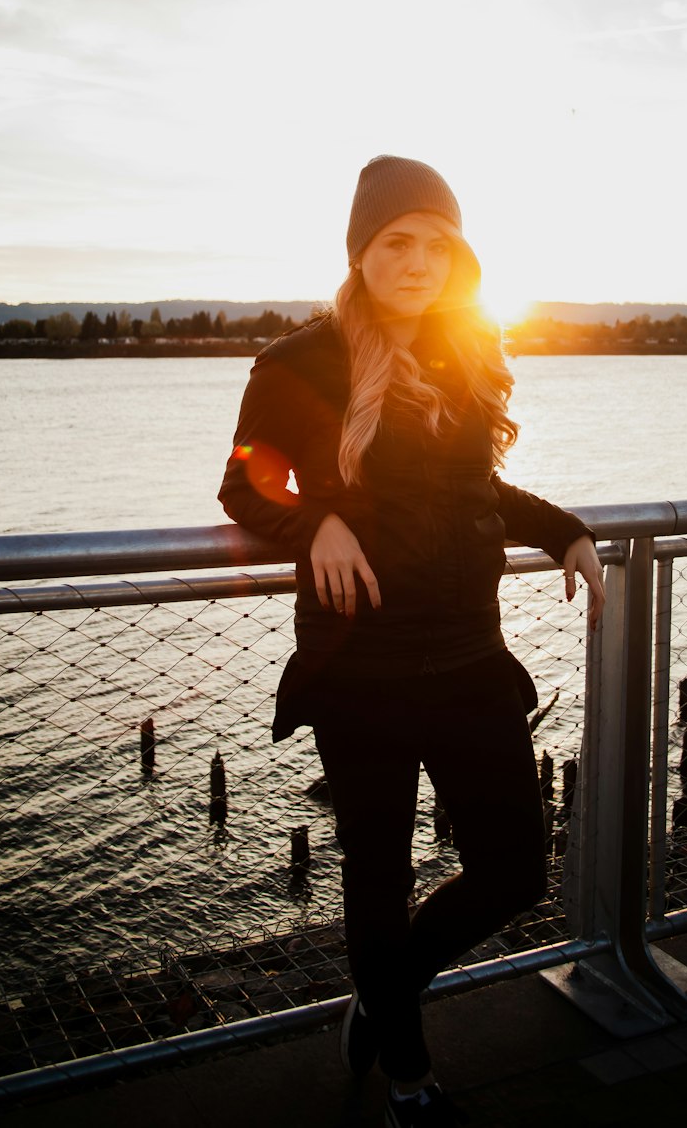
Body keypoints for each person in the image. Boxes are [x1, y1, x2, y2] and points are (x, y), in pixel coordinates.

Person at [219, 155, 604, 1128]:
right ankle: (406, 1071)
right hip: (363, 673)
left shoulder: (465, 353)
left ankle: (384, 993)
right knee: (378, 880)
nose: (418, 260)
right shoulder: (298, 361)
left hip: (473, 659)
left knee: (515, 870)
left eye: (438, 244)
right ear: (361, 251)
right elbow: (244, 487)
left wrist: (564, 529)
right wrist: (318, 525)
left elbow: (485, 494)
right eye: (397, 241)